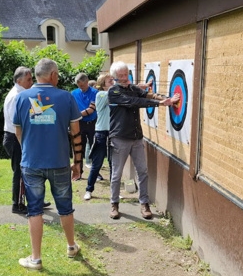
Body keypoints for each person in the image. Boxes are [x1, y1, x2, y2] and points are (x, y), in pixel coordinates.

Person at [14, 58, 83, 270]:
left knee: (34, 210)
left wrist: (28, 150)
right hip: (60, 162)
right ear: (52, 75)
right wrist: (77, 163)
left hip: (31, 163)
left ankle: (35, 258)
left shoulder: (22, 97)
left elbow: (18, 131)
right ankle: (71, 246)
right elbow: (76, 134)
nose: (59, 77)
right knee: (65, 207)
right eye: (58, 74)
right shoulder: (67, 97)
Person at [108, 61, 180, 219]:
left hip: (136, 137)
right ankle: (114, 204)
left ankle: (144, 204)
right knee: (117, 174)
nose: (124, 78)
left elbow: (147, 95)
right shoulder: (113, 92)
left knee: (143, 171)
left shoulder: (134, 88)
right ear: (114, 78)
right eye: (120, 76)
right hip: (120, 137)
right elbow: (135, 102)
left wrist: (167, 99)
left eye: (126, 74)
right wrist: (159, 103)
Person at [3, 67, 33, 214]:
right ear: (19, 80)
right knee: (20, 172)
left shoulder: (21, 94)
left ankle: (28, 199)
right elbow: (17, 123)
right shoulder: (16, 96)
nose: (32, 82)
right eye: (29, 79)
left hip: (16, 137)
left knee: (24, 171)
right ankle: (18, 204)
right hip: (15, 138)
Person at [84, 73, 114, 200]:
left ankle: (114, 191)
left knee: (113, 164)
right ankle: (89, 190)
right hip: (101, 132)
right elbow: (113, 93)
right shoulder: (101, 94)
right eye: (110, 81)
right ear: (102, 85)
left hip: (113, 132)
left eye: (113, 80)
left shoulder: (114, 94)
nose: (113, 82)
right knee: (97, 163)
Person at [71, 73, 98, 178]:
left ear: (87, 82)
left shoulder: (95, 92)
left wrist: (77, 115)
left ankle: (96, 173)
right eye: (78, 86)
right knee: (79, 148)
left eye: (82, 85)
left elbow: (92, 109)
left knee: (94, 148)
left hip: (92, 123)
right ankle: (79, 172)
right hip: (79, 124)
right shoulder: (73, 93)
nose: (80, 88)